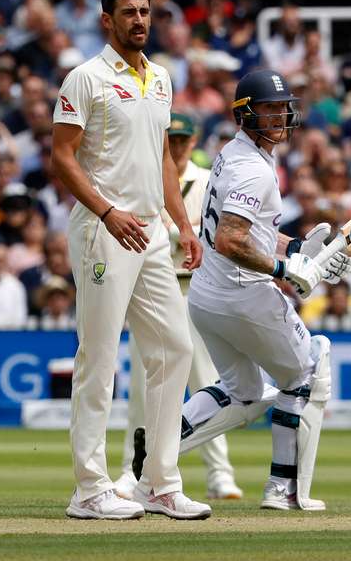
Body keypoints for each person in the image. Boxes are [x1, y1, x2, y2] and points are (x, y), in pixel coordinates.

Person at [133, 69, 351, 512]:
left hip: (207, 298)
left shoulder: (231, 155)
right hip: (243, 295)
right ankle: (284, 490)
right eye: (267, 109)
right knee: (309, 370)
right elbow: (230, 239)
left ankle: (156, 459)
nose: (278, 116)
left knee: (244, 393)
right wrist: (284, 269)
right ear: (244, 114)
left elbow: (246, 231)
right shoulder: (255, 170)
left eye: (281, 108)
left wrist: (298, 247)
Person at [51, 0, 208, 521]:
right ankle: (89, 489)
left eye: (145, 12)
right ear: (107, 19)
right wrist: (107, 212)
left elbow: (164, 159)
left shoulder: (160, 78)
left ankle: (158, 483)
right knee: (98, 357)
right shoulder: (86, 78)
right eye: (129, 13)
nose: (140, 21)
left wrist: (183, 224)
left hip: (150, 231)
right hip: (104, 229)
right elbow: (62, 157)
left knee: (174, 349)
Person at [114, 113, 242, 501]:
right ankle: (128, 470)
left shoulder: (206, 182)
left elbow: (218, 231)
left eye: (184, 140)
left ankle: (220, 473)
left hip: (194, 287)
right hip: (151, 286)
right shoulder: (143, 178)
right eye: (172, 140)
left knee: (203, 380)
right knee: (143, 384)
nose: (178, 147)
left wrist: (179, 234)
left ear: (194, 140)